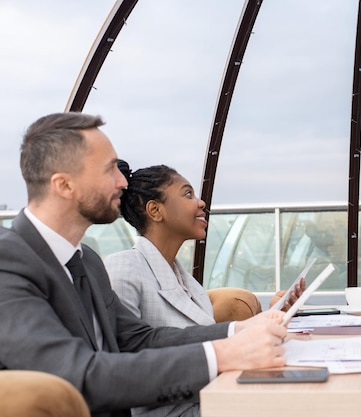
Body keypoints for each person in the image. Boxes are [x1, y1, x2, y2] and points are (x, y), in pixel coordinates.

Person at [0, 112, 287, 417]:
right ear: (64, 185)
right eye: (109, 169)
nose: (123, 181)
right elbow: (76, 374)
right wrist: (221, 355)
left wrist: (237, 331)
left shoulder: (88, 261)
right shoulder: (9, 262)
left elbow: (140, 339)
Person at [104, 160, 304, 326]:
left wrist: (275, 314)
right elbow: (122, 354)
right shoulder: (123, 268)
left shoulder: (187, 284)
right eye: (188, 194)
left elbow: (207, 341)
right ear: (155, 210)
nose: (201, 203)